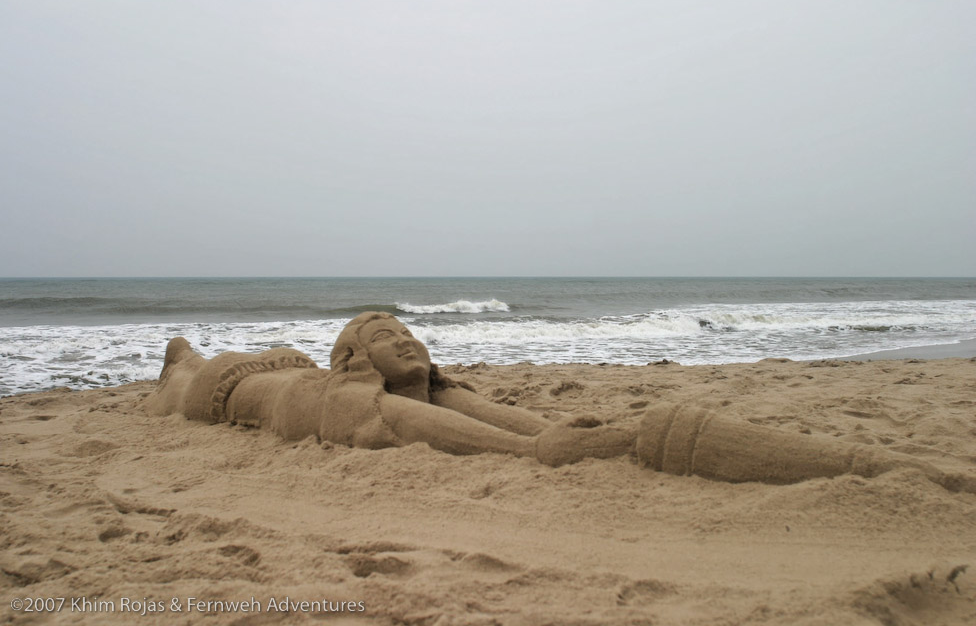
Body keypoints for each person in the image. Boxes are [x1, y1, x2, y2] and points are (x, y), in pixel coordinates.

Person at [141, 312, 969, 490]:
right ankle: (178, 351)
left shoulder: (428, 382)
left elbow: (512, 423)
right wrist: (553, 450)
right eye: (389, 334)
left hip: (272, 366)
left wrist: (578, 432)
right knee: (185, 371)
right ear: (356, 355)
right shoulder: (349, 401)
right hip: (233, 388)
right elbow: (413, 425)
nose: (412, 341)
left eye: (413, 331)